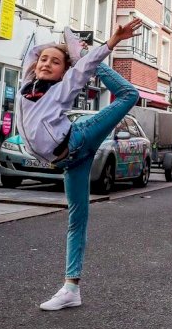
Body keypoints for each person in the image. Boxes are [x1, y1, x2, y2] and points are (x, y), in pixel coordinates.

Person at [15, 19, 143, 311]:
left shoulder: (61, 90)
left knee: (130, 95)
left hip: (77, 140)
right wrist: (59, 43)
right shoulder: (25, 87)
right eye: (43, 60)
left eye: (55, 62)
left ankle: (81, 57)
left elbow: (81, 71)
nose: (46, 63)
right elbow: (33, 54)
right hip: (70, 161)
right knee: (77, 219)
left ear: (64, 71)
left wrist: (96, 50)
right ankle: (71, 288)